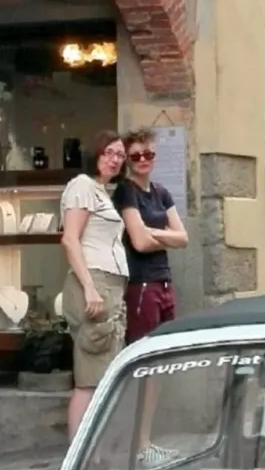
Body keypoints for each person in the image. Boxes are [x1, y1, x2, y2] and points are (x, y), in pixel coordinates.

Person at [59, 130, 129, 443]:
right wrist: (89, 287)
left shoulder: (100, 191)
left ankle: (95, 454)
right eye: (109, 152)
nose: (115, 159)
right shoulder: (83, 186)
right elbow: (70, 238)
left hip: (109, 284)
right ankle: (78, 458)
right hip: (95, 282)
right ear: (95, 153)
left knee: (103, 373)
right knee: (89, 378)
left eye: (120, 155)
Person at [116, 127, 188, 344]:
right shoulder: (126, 191)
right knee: (144, 346)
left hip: (164, 282)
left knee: (165, 348)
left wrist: (151, 231)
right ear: (128, 160)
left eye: (148, 155)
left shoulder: (161, 192)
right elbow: (139, 243)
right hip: (142, 283)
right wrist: (168, 237)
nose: (143, 160)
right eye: (136, 156)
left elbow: (184, 238)